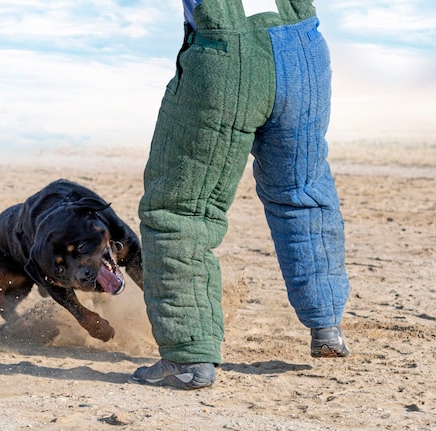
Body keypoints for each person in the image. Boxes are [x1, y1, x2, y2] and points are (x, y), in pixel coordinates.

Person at [133, 0, 351, 390]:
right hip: (304, 49)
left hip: (226, 55)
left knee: (180, 210)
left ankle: (189, 356)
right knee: (302, 191)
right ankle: (326, 324)